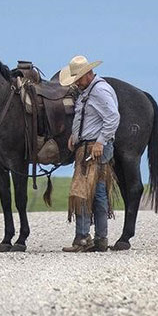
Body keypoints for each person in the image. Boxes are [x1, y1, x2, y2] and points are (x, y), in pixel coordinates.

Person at [59, 55, 120, 252]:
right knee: (98, 193)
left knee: (82, 192)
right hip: (88, 145)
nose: (76, 82)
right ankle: (100, 239)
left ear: (87, 74)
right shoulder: (89, 91)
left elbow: (112, 117)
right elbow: (89, 118)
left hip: (94, 148)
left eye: (78, 78)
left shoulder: (99, 91)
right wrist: (75, 136)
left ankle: (83, 238)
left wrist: (100, 142)